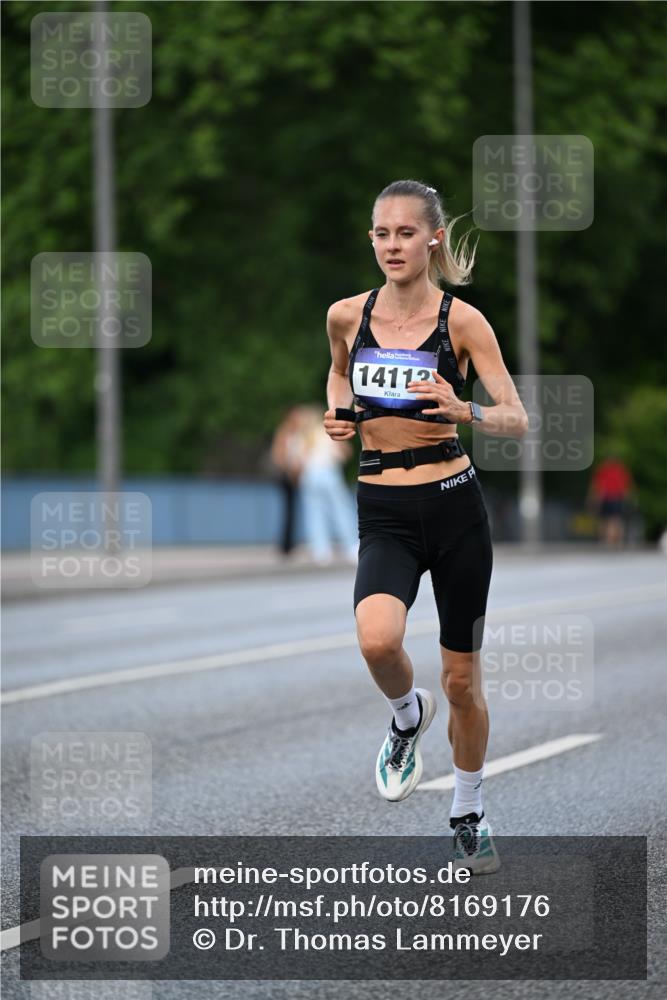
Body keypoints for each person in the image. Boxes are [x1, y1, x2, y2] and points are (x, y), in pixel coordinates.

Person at [323, 179, 528, 874]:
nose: (390, 245)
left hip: (453, 506)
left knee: (462, 682)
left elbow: (516, 416)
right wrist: (336, 417)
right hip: (382, 507)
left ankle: (467, 812)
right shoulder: (346, 316)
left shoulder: (462, 323)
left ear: (432, 238)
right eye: (380, 233)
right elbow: (335, 377)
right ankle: (406, 717)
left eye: (404, 233)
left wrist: (462, 409)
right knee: (377, 642)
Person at [298, 405, 359, 566]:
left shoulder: (303, 435)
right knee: (341, 509)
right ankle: (351, 545)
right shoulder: (325, 432)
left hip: (309, 475)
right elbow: (345, 452)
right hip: (328, 471)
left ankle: (321, 550)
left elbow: (298, 461)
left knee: (314, 513)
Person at [270, 406, 306, 556]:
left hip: (295, 476)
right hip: (286, 475)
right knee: (288, 510)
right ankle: (285, 545)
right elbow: (279, 454)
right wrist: (288, 470)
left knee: (292, 510)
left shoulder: (299, 434)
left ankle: (289, 543)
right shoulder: (284, 431)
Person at [588, 454, 634, 547]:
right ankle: (616, 540)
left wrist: (594, 499)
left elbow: (598, 487)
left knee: (606, 520)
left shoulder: (603, 469)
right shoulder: (620, 469)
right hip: (616, 498)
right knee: (615, 520)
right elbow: (625, 487)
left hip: (608, 498)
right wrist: (629, 498)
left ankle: (607, 540)